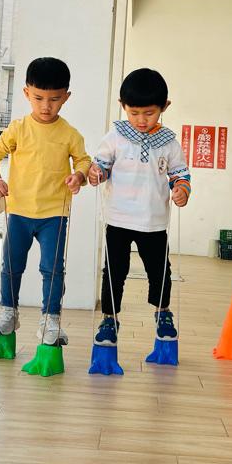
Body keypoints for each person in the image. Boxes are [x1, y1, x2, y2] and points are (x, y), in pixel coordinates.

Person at [0, 57, 91, 347]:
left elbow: (83, 160)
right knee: (11, 265)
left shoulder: (70, 134)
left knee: (52, 269)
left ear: (66, 97)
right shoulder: (18, 128)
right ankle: (9, 312)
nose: (46, 106)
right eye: (38, 98)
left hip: (54, 214)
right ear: (26, 93)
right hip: (18, 212)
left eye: (54, 99)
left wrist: (78, 176)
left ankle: (50, 319)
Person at [88, 67, 191, 347]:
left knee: (160, 271)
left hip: (153, 221)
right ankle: (109, 318)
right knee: (114, 272)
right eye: (133, 113)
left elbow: (180, 174)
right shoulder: (115, 136)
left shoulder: (169, 143)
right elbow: (102, 164)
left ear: (164, 107)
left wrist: (182, 190)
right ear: (122, 105)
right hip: (118, 219)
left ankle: (163, 312)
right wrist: (96, 173)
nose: (141, 120)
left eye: (149, 113)